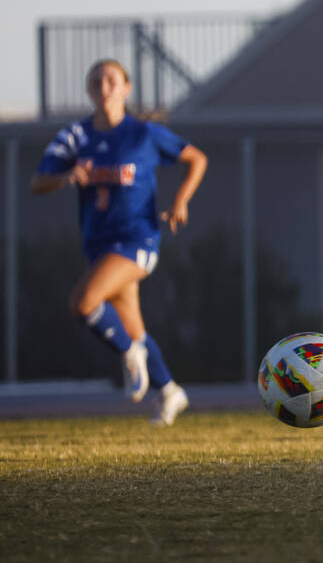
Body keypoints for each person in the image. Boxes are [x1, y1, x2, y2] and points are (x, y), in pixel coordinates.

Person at [31, 58, 207, 426]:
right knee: (133, 325)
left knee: (83, 302)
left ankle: (130, 355)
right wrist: (67, 176)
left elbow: (196, 159)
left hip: (137, 238)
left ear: (126, 88)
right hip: (98, 242)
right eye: (96, 80)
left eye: (111, 79)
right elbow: (38, 182)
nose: (104, 85)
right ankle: (170, 391)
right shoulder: (76, 136)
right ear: (89, 91)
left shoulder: (143, 133)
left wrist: (180, 201)